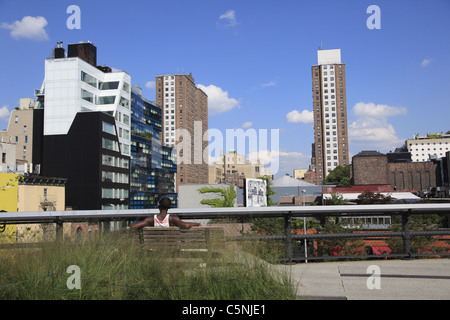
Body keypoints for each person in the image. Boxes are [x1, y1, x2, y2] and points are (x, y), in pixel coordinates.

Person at [130, 197, 201, 229]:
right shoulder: (173, 218)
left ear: (159, 207)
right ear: (169, 208)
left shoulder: (151, 219)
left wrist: (131, 224)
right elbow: (185, 226)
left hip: (155, 249)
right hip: (172, 248)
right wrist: (196, 224)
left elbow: (134, 226)